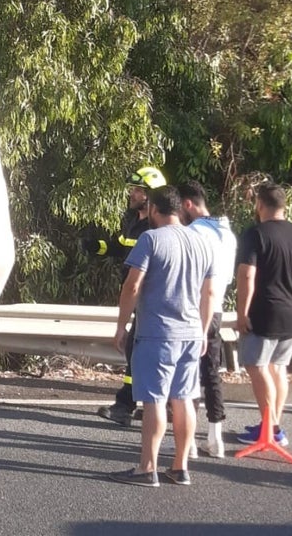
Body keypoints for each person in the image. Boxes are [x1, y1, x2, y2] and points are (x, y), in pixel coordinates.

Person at [108, 185, 217, 487]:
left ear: (154, 209)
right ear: (180, 209)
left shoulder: (150, 239)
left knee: (154, 400)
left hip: (158, 333)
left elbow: (132, 286)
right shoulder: (202, 241)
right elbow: (209, 292)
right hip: (192, 332)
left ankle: (147, 467)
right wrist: (204, 330)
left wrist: (121, 326)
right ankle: (180, 466)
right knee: (183, 398)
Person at [234, 181, 292, 446]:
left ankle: (270, 427)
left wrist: (241, 311)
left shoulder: (256, 234)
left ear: (259, 205)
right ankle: (273, 428)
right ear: (284, 206)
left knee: (256, 366)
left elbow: (247, 274)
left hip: (265, 311)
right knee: (278, 368)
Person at [89, 165, 166, 426]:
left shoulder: (154, 229)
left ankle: (126, 405)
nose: (132, 194)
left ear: (149, 195)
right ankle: (147, 404)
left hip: (147, 298)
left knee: (136, 348)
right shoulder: (135, 223)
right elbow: (120, 249)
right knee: (138, 350)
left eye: (137, 190)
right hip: (140, 301)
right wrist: (96, 247)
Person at [179, 180, 236, 458]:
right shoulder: (227, 232)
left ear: (188, 204)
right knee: (212, 373)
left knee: (187, 374)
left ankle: (188, 442)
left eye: (180, 207)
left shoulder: (195, 233)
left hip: (194, 308)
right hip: (217, 309)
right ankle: (215, 440)